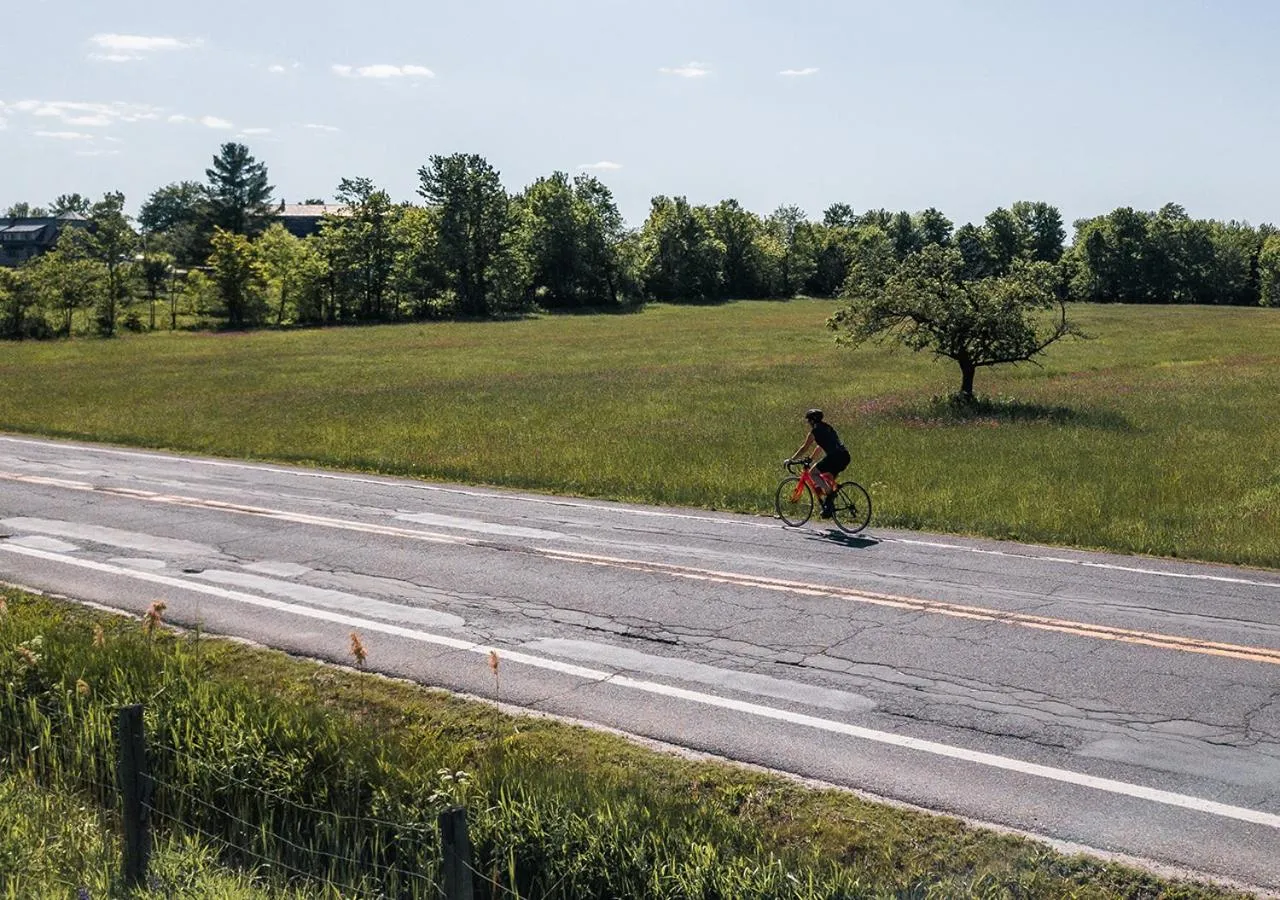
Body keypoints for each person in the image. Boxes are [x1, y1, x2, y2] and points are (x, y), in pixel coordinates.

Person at [786, 408, 851, 518]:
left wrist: (791, 460)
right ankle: (828, 506)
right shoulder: (827, 427)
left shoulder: (815, 431)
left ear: (812, 421)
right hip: (844, 456)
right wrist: (811, 458)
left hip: (834, 457)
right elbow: (819, 446)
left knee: (812, 473)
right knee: (828, 479)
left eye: (808, 421)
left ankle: (830, 498)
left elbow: (804, 448)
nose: (808, 423)